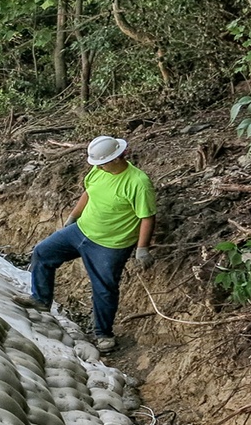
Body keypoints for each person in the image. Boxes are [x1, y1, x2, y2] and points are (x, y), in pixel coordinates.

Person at [14, 135, 156, 353]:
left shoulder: (138, 183)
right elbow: (88, 193)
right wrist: (72, 218)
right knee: (43, 252)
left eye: (103, 162)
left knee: (104, 288)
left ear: (118, 157)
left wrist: (142, 248)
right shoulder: (99, 171)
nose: (99, 167)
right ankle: (41, 299)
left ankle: (103, 335)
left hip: (111, 244)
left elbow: (147, 217)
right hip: (81, 230)